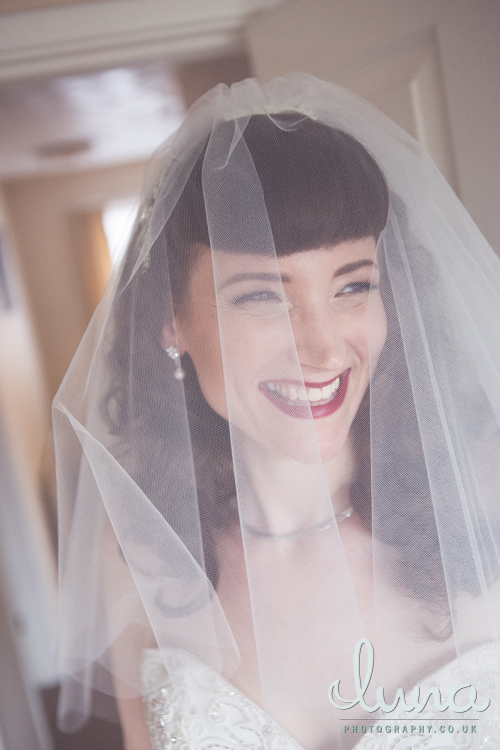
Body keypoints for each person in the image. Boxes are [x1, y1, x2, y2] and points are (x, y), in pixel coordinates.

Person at [53, 74, 500, 750]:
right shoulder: (140, 554)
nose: (323, 346)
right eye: (263, 296)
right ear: (172, 321)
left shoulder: (484, 496)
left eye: (352, 285)